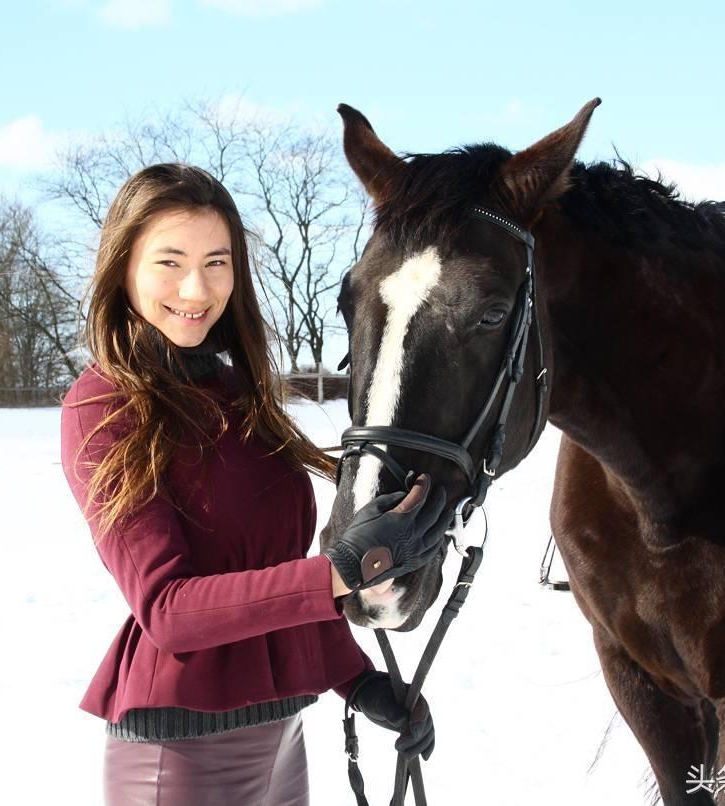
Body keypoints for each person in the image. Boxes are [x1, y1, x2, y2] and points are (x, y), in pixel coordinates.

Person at [60, 163, 448, 805]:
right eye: (170, 261)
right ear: (123, 266)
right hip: (178, 756)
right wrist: (345, 568)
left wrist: (357, 681)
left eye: (217, 261)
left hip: (279, 739)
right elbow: (169, 610)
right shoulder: (104, 404)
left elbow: (275, 572)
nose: (196, 285)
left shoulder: (237, 392)